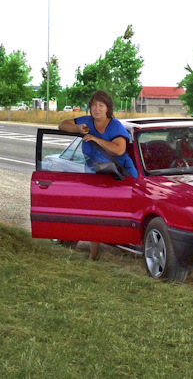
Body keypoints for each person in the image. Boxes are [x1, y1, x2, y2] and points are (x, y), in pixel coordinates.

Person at [58, 90, 138, 260]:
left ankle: (130, 244)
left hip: (120, 174)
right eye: (94, 105)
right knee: (95, 211)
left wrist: (95, 138)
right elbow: (61, 125)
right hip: (95, 173)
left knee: (126, 210)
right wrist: (77, 128)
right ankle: (93, 254)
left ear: (108, 108)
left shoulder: (115, 125)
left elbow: (119, 149)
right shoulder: (86, 121)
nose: (97, 108)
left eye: (101, 105)